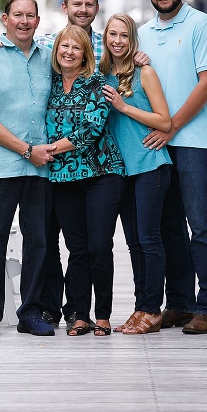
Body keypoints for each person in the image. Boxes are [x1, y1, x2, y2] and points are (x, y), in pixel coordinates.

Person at [0, 0, 147, 329]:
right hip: (44, 169)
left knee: (75, 244)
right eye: (18, 16)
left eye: (89, 4)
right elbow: (14, 49)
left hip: (82, 168)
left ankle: (79, 313)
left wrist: (139, 56)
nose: (69, 51)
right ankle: (25, 310)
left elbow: (93, 123)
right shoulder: (40, 53)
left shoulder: (97, 63)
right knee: (28, 242)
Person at [138, 0, 207, 334]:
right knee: (169, 226)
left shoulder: (201, 25)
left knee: (201, 225)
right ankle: (180, 303)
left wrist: (171, 126)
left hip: (193, 142)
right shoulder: (142, 33)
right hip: (157, 145)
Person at [0, 0, 55, 338]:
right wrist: (27, 150)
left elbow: (83, 55)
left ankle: (30, 313)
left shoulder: (49, 57)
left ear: (38, 20)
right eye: (17, 15)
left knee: (38, 242)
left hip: (39, 168)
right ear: (5, 19)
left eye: (30, 16)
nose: (24, 21)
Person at [45, 25, 126, 336]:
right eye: (64, 46)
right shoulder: (50, 84)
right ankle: (80, 314)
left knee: (99, 246)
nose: (69, 52)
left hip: (101, 174)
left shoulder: (97, 83)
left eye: (76, 48)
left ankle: (102, 314)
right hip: (63, 178)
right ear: (56, 51)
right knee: (76, 248)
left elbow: (89, 132)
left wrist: (48, 150)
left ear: (85, 55)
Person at [100, 13, 172, 334]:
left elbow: (164, 121)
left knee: (149, 239)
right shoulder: (101, 75)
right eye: (112, 35)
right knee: (133, 244)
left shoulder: (145, 72)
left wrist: (124, 107)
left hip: (150, 164)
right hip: (122, 171)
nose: (118, 41)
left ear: (132, 40)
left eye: (124, 35)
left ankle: (152, 310)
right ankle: (140, 307)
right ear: (105, 38)